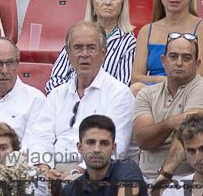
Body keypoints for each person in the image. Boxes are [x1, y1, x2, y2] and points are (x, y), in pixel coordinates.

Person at [23, 21, 136, 172]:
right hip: (52, 169)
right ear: (68, 54)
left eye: (91, 48)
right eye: (78, 48)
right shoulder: (57, 94)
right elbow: (40, 137)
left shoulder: (119, 94)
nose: (84, 54)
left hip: (94, 172)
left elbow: (116, 148)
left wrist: (76, 173)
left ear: (103, 53)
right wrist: (44, 169)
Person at [133, 31, 203, 181]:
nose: (179, 63)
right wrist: (171, 123)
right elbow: (143, 139)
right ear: (163, 60)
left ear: (197, 64)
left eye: (186, 58)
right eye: (173, 56)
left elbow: (189, 129)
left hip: (186, 178)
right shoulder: (146, 93)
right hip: (143, 176)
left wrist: (163, 177)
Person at [58, 114, 153, 196]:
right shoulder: (69, 191)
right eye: (91, 142)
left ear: (113, 148)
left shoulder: (128, 170)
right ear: (79, 147)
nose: (97, 149)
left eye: (104, 143)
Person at [132, 0, 203, 92]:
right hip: (152, 94)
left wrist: (168, 83)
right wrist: (164, 81)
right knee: (136, 89)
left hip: (188, 92)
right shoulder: (146, 31)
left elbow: (201, 76)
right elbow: (136, 78)